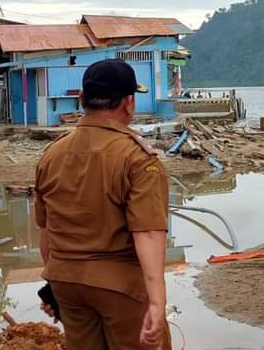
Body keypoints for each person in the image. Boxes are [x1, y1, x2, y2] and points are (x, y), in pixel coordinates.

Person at [35, 59, 171, 349]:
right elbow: (147, 233)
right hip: (119, 286)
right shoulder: (137, 159)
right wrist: (158, 302)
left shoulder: (52, 154)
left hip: (66, 283)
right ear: (129, 103)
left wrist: (53, 285)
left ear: (83, 99)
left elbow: (47, 230)